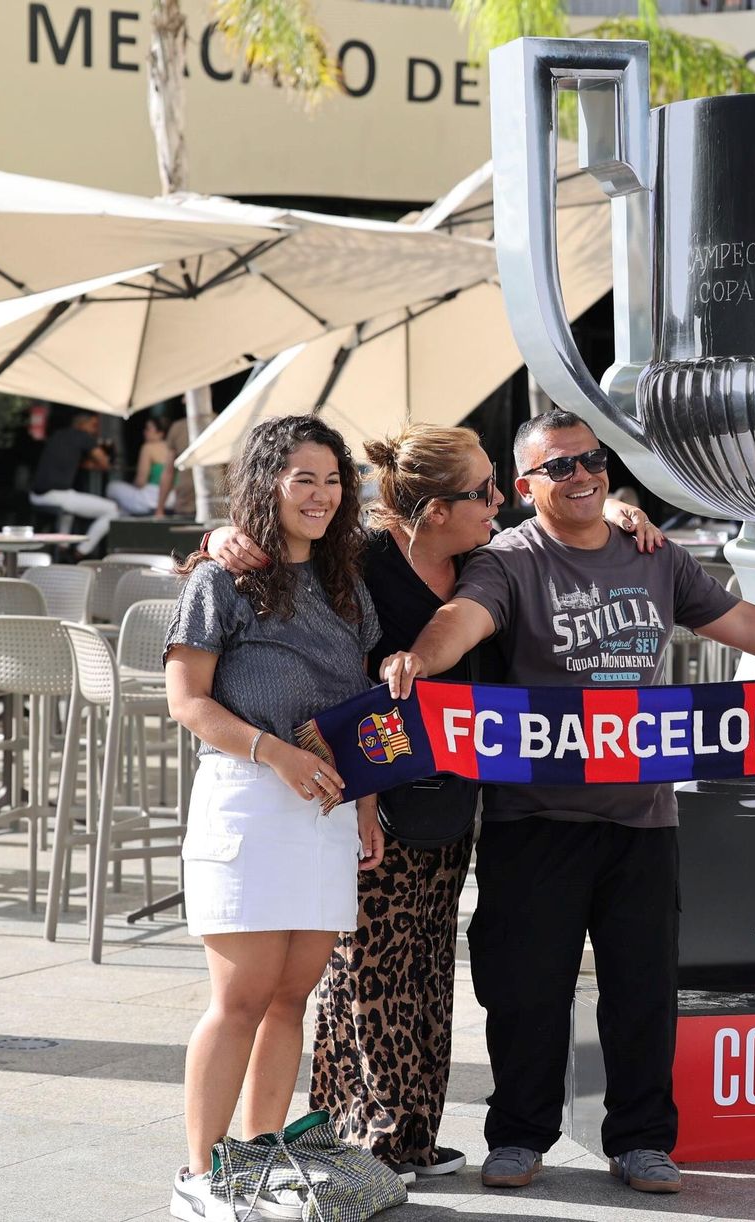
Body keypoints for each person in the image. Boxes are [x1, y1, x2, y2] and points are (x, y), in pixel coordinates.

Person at [379, 408, 755, 1196]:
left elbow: (739, 620)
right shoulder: (508, 560)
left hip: (644, 816)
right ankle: (518, 1134)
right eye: (560, 467)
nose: (581, 476)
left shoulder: (654, 555)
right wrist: (422, 657)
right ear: (523, 487)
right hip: (535, 818)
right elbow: (461, 619)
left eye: (592, 461)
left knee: (642, 990)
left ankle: (643, 1140)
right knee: (525, 991)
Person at [200, 426, 664, 1179]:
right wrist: (222, 536)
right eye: (482, 492)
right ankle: (366, 1136)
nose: (496, 503)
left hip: (449, 801)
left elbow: (564, 528)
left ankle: (410, 1134)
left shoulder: (487, 560)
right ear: (432, 509)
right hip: (366, 796)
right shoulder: (357, 562)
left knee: (420, 973)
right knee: (365, 974)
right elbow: (273, 557)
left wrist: (620, 515)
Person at [163, 415, 386, 1222]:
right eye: (303, 479)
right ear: (268, 485)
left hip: (326, 807)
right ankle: (198, 1173)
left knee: (293, 994)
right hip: (249, 797)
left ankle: (258, 1159)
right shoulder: (220, 579)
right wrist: (276, 755)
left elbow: (357, 703)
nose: (322, 495)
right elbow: (186, 701)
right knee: (241, 995)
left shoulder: (343, 580)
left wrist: (364, 802)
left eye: (332, 480)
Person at [28, 410, 117, 554]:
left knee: (70, 504)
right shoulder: (83, 437)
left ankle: (63, 546)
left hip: (35, 496)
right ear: (82, 424)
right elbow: (104, 463)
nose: (95, 430)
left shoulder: (57, 435)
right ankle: (82, 551)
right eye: (93, 425)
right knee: (112, 509)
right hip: (56, 496)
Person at [107, 413, 176, 516]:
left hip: (153, 498)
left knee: (112, 487)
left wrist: (132, 485)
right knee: (123, 510)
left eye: (148, 429)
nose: (144, 432)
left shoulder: (148, 447)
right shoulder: (175, 448)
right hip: (174, 498)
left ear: (160, 433)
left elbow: (141, 481)